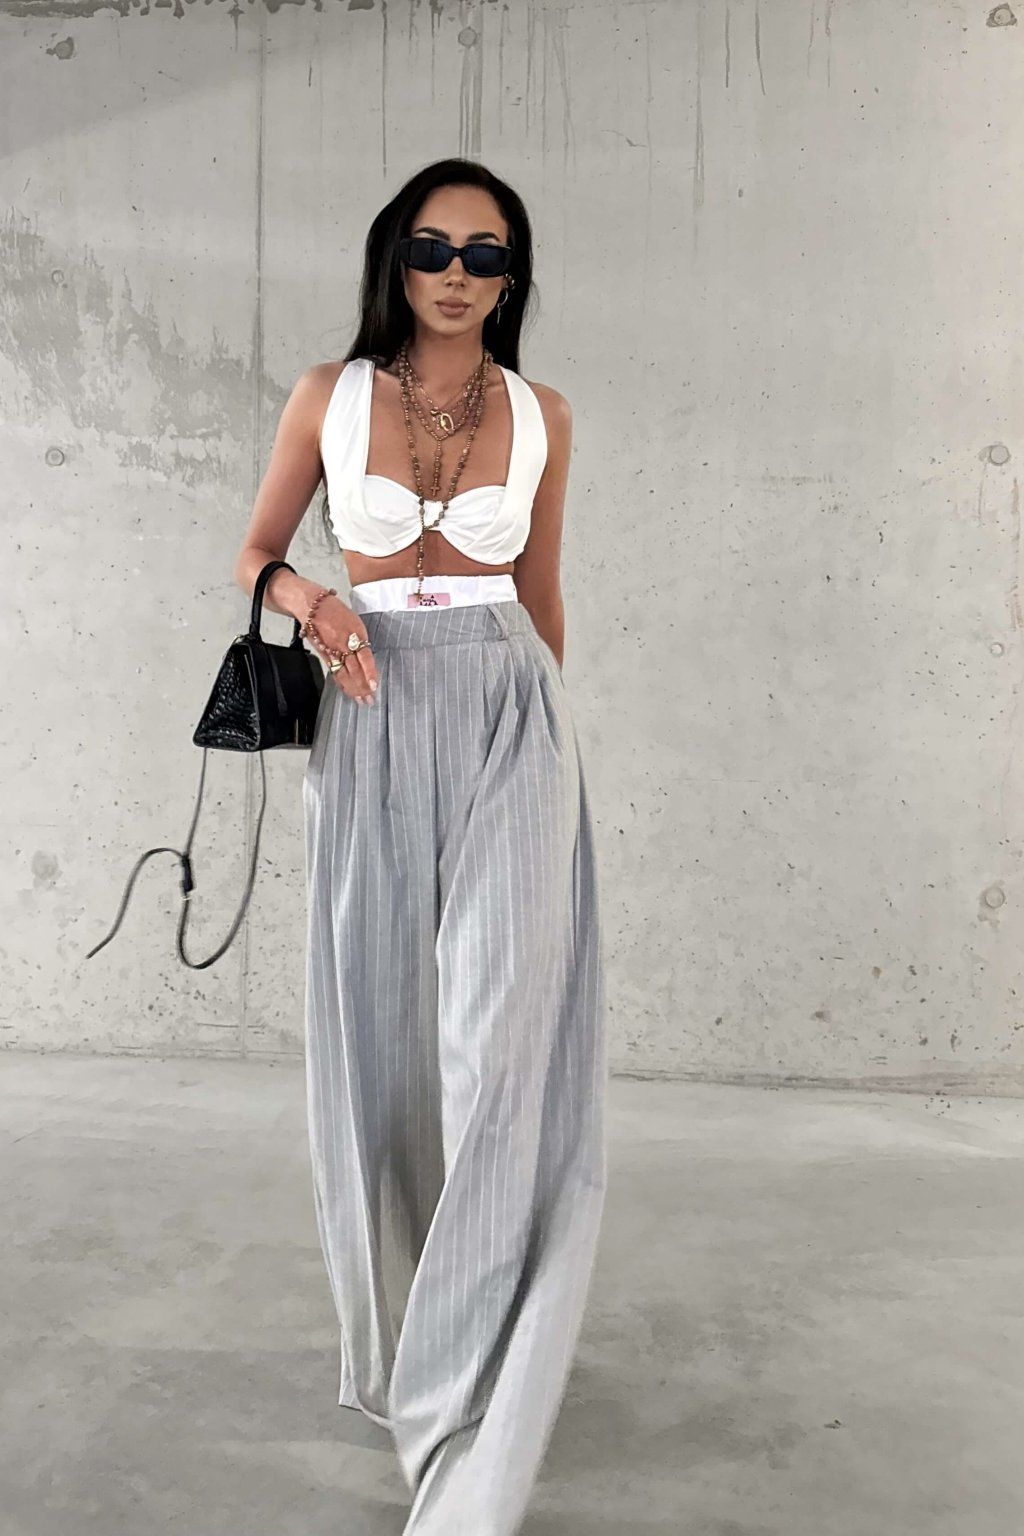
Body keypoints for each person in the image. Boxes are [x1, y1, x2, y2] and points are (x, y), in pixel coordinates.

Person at [232, 156, 608, 1536]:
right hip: (374, 714)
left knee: (505, 1051)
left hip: (511, 717)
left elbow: (542, 596)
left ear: (513, 276)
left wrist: (549, 748)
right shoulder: (327, 398)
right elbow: (254, 553)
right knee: (382, 1043)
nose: (458, 273)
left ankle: (482, 1383)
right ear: (397, 257)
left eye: (487, 253)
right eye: (436, 247)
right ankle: (407, 1342)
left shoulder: (543, 414)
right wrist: (314, 599)